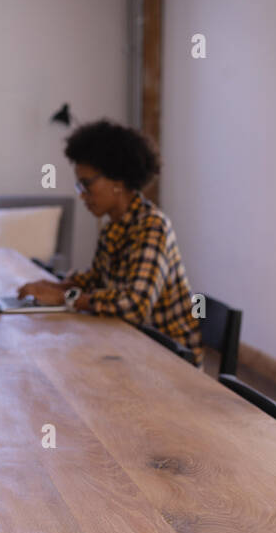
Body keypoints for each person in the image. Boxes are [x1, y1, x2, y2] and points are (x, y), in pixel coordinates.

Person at [16, 119, 202, 362]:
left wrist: (65, 298)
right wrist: (57, 286)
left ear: (117, 180)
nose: (81, 194)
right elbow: (98, 280)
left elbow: (135, 305)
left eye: (86, 184)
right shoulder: (113, 227)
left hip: (169, 360)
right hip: (130, 343)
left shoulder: (153, 227)